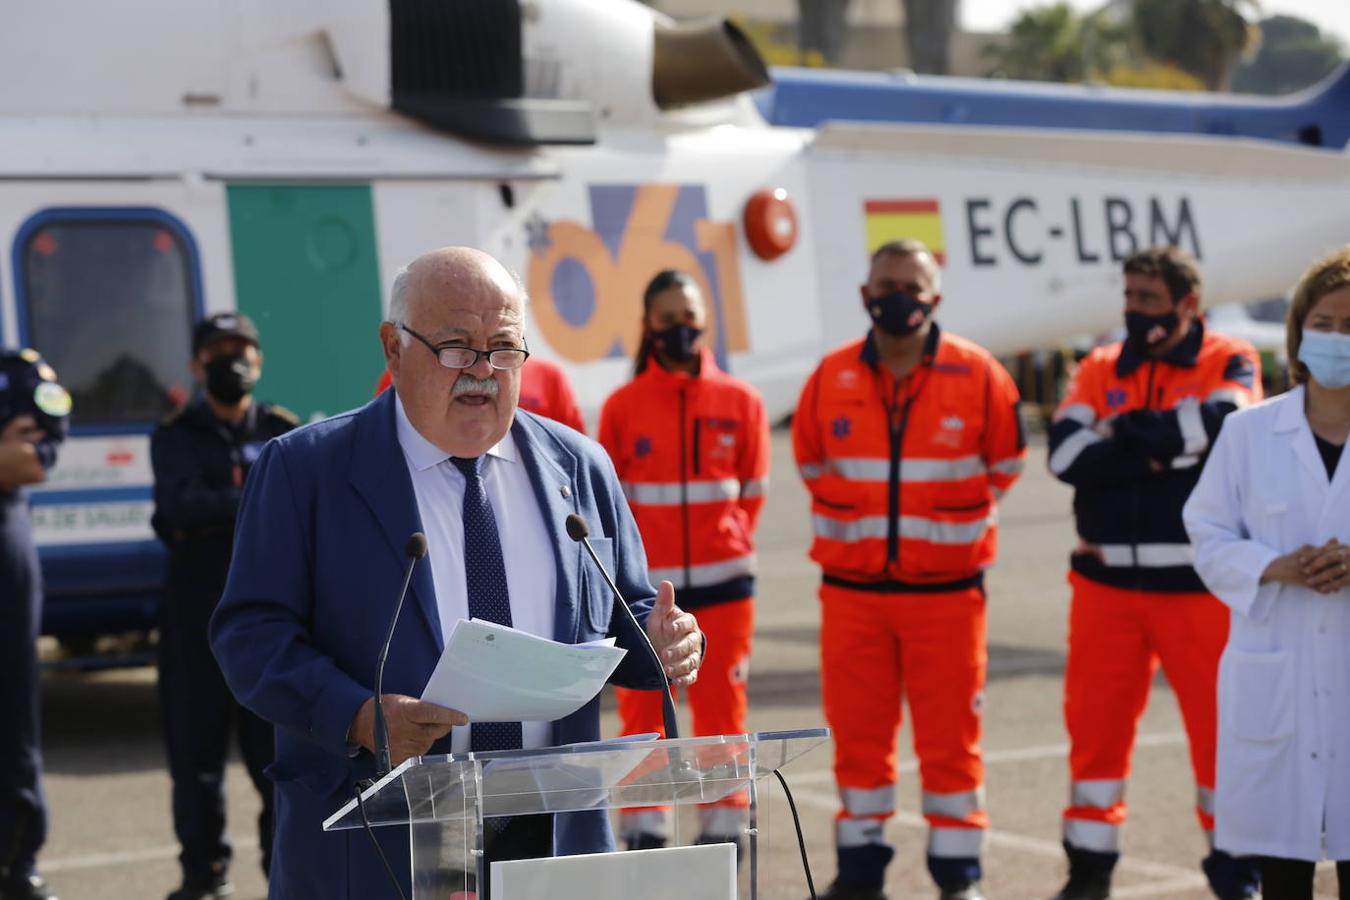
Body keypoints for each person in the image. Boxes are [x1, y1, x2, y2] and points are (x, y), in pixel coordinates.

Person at [208, 247, 703, 898]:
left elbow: (626, 614)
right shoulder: (306, 471)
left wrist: (664, 641)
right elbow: (250, 636)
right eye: (455, 347)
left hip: (548, 844)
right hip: (376, 847)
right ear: (393, 347)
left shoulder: (580, 467)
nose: (482, 371)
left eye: (503, 347)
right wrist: (356, 714)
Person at [793, 239, 1027, 900]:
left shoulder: (980, 375)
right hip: (853, 596)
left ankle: (958, 878)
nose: (897, 295)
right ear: (866, 293)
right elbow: (812, 463)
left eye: (911, 284)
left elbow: (1007, 464)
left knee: (951, 746)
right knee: (860, 747)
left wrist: (945, 525)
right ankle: (861, 874)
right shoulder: (830, 376)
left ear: (936, 298)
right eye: (886, 282)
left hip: (948, 598)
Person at [1045, 247, 1263, 900]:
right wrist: (1162, 452)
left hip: (1198, 590)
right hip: (1105, 587)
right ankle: (1088, 873)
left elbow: (1228, 423)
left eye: (1148, 298)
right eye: (1129, 297)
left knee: (1223, 742)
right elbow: (1065, 453)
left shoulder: (1229, 359)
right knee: (1095, 738)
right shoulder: (1100, 364)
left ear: (1187, 304)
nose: (1134, 310)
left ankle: (1237, 872)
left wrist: (1123, 437)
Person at [1184, 245, 1350, 900]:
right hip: (1276, 672)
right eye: (1326, 324)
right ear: (1300, 332)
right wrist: (1275, 566)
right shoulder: (1249, 433)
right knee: (1282, 873)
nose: (1338, 339)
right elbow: (1207, 532)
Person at [598, 269, 770, 851]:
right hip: (648, 595)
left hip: (726, 585)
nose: (682, 329)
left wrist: (730, 538)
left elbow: (753, 490)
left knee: (724, 710)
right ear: (649, 325)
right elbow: (611, 502)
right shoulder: (623, 406)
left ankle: (726, 830)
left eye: (690, 317)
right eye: (669, 319)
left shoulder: (742, 401)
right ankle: (645, 830)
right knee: (642, 710)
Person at [150, 313, 297, 900]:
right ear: (195, 364)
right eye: (217, 351)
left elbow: (286, 519)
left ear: (259, 362)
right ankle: (202, 877)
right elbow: (174, 511)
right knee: (195, 766)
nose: (231, 360)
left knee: (276, 766)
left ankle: (282, 877)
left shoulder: (283, 430)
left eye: (242, 350)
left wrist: (217, 505)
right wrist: (253, 499)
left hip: (270, 625)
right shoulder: (174, 433)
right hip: (194, 623)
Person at [0, 349, 70, 900]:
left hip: (6, 550)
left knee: (12, 709)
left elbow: (31, 460)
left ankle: (18, 858)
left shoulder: (21, 370)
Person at [375, 351, 586, 433]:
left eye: (501, 342)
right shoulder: (402, 375)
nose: (482, 371)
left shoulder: (548, 376)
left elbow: (569, 455)